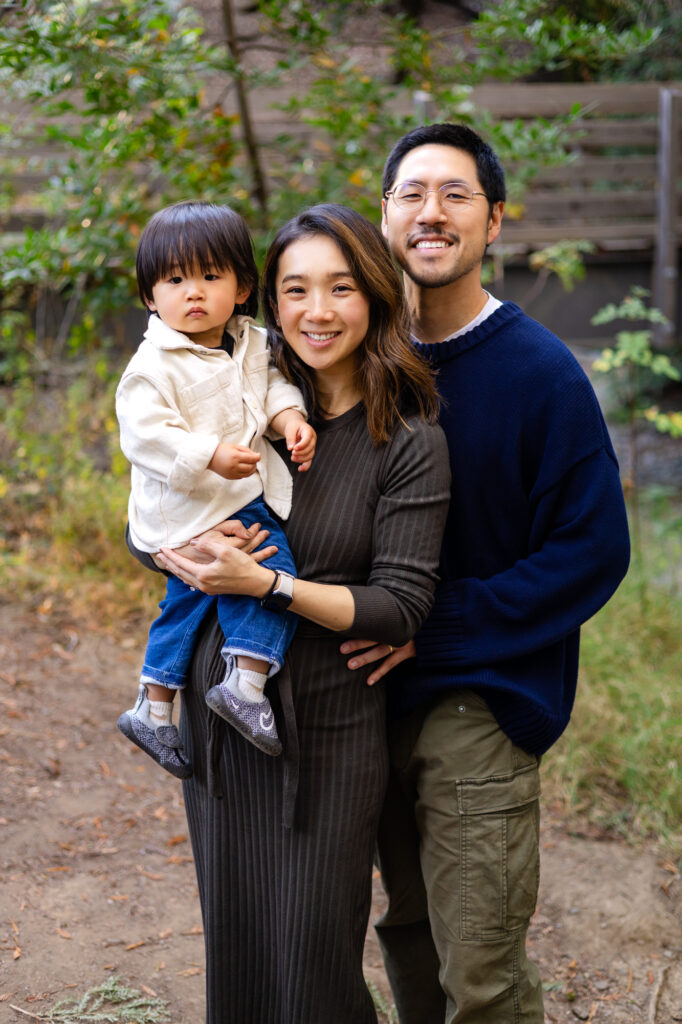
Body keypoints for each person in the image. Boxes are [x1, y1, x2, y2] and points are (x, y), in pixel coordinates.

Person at [125, 203, 452, 1023]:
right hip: (218, 713)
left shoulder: (407, 436)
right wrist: (158, 549)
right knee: (237, 940)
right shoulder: (241, 394)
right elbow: (163, 491)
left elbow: (400, 605)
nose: (317, 310)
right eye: (296, 289)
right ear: (268, 300)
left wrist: (266, 587)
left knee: (313, 957)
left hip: (332, 722)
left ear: (374, 296)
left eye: (340, 288)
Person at [340, 123, 631, 1023]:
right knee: (410, 938)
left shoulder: (540, 372)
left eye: (456, 195)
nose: (431, 213)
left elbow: (593, 549)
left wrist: (432, 625)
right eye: (411, 194)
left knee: (482, 972)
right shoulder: (351, 357)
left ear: (495, 221)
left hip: (477, 696)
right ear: (384, 215)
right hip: (359, 698)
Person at [115, 200, 316, 777]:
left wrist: (289, 421)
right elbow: (146, 436)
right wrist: (208, 454)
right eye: (175, 280)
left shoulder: (250, 341)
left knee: (185, 601)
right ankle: (246, 682)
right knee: (271, 565)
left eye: (210, 276)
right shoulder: (153, 365)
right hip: (188, 503)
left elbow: (272, 387)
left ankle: (153, 709)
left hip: (226, 497)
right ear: (151, 296)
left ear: (244, 287)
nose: (194, 293)